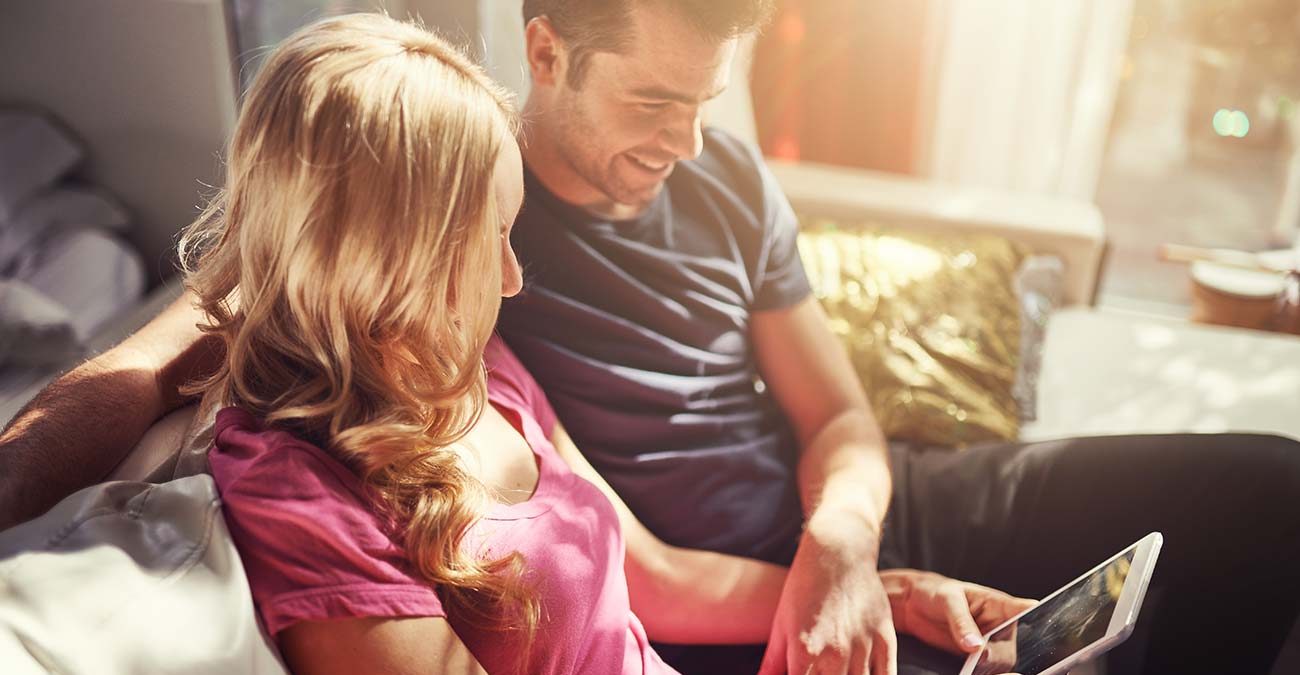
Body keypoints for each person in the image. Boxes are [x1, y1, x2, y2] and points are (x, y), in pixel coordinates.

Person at [1, 2, 1298, 674]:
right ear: (549, 55)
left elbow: (768, 479)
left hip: (850, 520)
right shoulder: (435, 193)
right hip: (744, 583)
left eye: (706, 101)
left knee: (1266, 497)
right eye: (658, 99)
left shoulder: (507, 350)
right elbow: (191, 330)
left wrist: (857, 567)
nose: (688, 144)